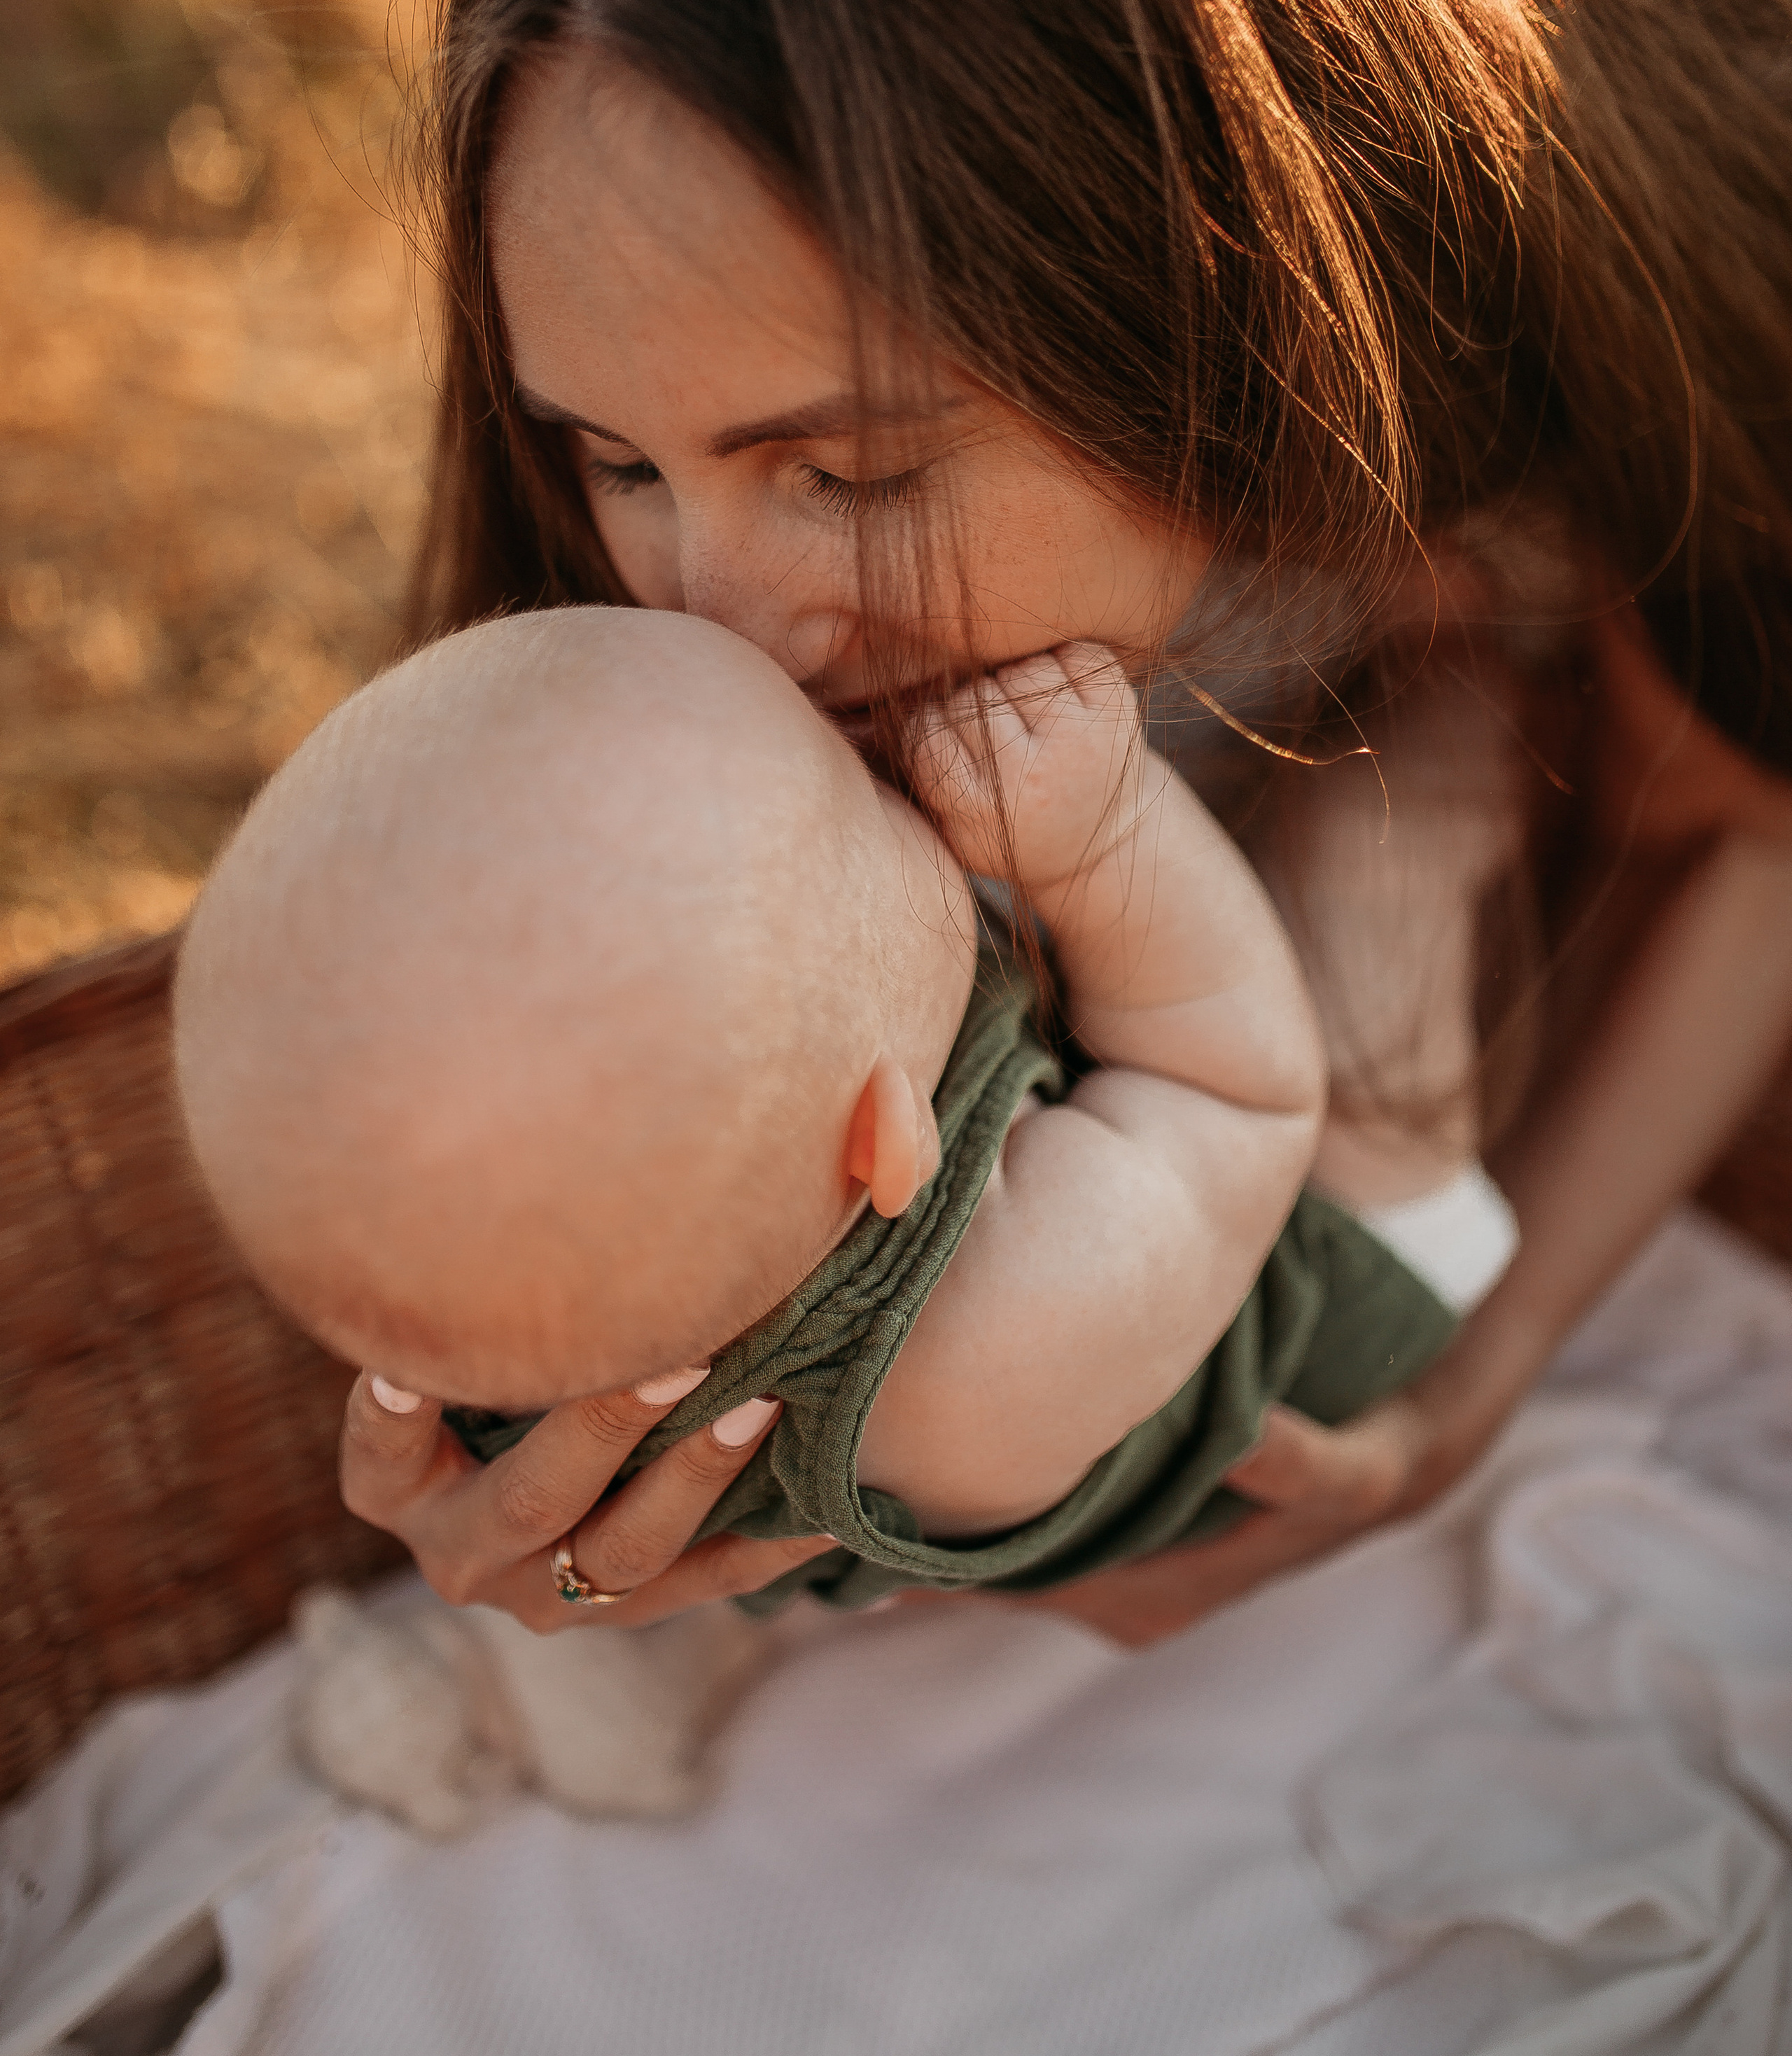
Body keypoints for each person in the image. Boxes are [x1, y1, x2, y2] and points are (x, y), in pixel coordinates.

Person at [341, 0, 1792, 1647]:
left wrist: (1459, 1398)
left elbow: (1759, 829)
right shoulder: (730, 526)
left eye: (849, 471)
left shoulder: (1663, 265)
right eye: (619, 460)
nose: (717, 623)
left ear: (1206, 292)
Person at [176, 607, 1515, 1631]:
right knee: (1377, 841)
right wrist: (1108, 837)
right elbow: (1236, 1088)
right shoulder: (988, 1348)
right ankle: (1491, 691)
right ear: (887, 1139)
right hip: (1314, 1264)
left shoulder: (525, 1259)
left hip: (1087, 1148)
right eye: (864, 789)